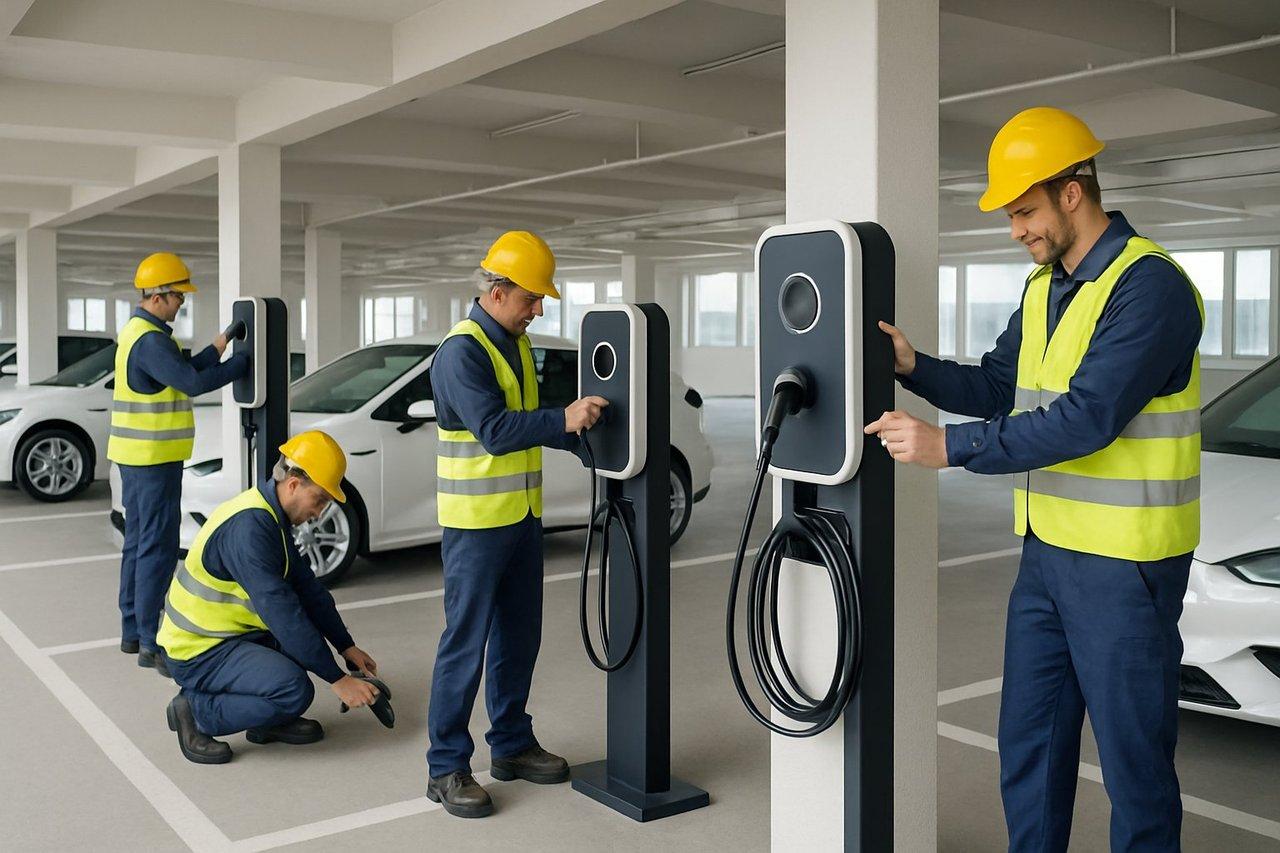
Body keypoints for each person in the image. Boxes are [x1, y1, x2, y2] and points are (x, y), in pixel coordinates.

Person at [866, 107, 1202, 852]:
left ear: (1072, 192)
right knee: (1030, 745)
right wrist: (913, 368)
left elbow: (1088, 417)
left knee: (1134, 768)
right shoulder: (1043, 288)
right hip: (1047, 555)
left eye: (1024, 211)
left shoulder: (1150, 287)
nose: (1017, 230)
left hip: (1126, 566)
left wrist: (948, 448)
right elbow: (997, 386)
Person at [425, 230, 607, 818]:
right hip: (476, 525)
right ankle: (446, 767)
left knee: (519, 638)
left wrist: (589, 442)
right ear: (498, 291)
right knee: (465, 644)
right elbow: (496, 431)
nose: (538, 310)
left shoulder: (515, 343)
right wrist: (563, 420)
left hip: (522, 518)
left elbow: (528, 420)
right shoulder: (463, 351)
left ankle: (510, 744)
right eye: (531, 298)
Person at [158, 430, 381, 764]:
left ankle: (267, 722)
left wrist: (345, 646)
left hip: (232, 635)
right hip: (198, 649)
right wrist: (338, 680)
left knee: (299, 653)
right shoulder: (250, 530)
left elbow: (308, 590)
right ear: (294, 484)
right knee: (293, 689)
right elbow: (283, 614)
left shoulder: (271, 517)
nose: (319, 513)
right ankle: (196, 711)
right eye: (319, 500)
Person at [108, 252, 248, 677]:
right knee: (157, 547)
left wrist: (223, 343)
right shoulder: (151, 341)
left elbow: (183, 369)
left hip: (137, 458)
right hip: (153, 460)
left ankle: (133, 631)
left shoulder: (140, 333)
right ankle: (151, 642)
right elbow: (192, 382)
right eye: (179, 296)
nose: (182, 303)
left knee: (138, 543)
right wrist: (243, 365)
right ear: (159, 296)